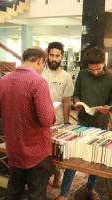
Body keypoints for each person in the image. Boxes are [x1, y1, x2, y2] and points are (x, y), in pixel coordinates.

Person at [56, 47, 112, 200]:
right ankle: (64, 193)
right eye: (92, 70)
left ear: (104, 63)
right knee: (73, 156)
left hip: (101, 123)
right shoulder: (83, 74)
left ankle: (90, 188)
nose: (95, 72)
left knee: (95, 159)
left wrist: (109, 107)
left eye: (98, 69)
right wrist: (77, 102)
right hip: (82, 121)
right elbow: (76, 94)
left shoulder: (111, 78)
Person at [0, 47, 56, 200]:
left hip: (14, 148)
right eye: (44, 65)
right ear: (40, 61)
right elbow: (46, 119)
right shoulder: (38, 81)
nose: (43, 68)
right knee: (36, 195)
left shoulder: (3, 81)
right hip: (36, 150)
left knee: (13, 192)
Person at [42, 42, 74, 187]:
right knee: (43, 151)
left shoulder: (66, 77)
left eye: (57, 56)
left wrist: (67, 122)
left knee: (56, 151)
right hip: (41, 120)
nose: (54, 58)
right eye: (52, 55)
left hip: (58, 120)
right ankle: (46, 174)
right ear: (47, 54)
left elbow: (67, 101)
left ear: (62, 57)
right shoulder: (39, 71)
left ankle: (57, 173)